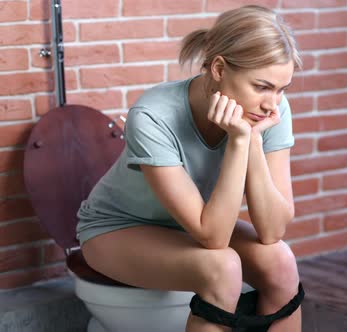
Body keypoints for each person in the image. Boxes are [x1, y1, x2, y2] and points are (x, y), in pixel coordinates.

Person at [76, 5, 303, 332]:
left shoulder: (270, 111)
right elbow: (213, 238)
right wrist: (239, 143)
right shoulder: (153, 115)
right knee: (221, 268)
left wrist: (252, 140)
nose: (273, 103)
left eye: (282, 89)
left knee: (280, 262)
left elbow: (273, 230)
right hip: (117, 228)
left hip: (194, 225)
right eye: (262, 86)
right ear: (220, 69)